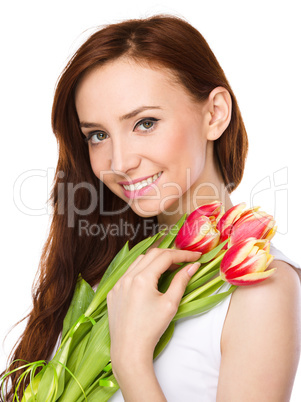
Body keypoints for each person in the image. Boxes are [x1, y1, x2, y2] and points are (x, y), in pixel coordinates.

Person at [1, 14, 300, 402]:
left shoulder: (260, 287)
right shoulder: (102, 264)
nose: (119, 162)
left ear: (215, 114)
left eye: (145, 123)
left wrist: (131, 360)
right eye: (97, 135)